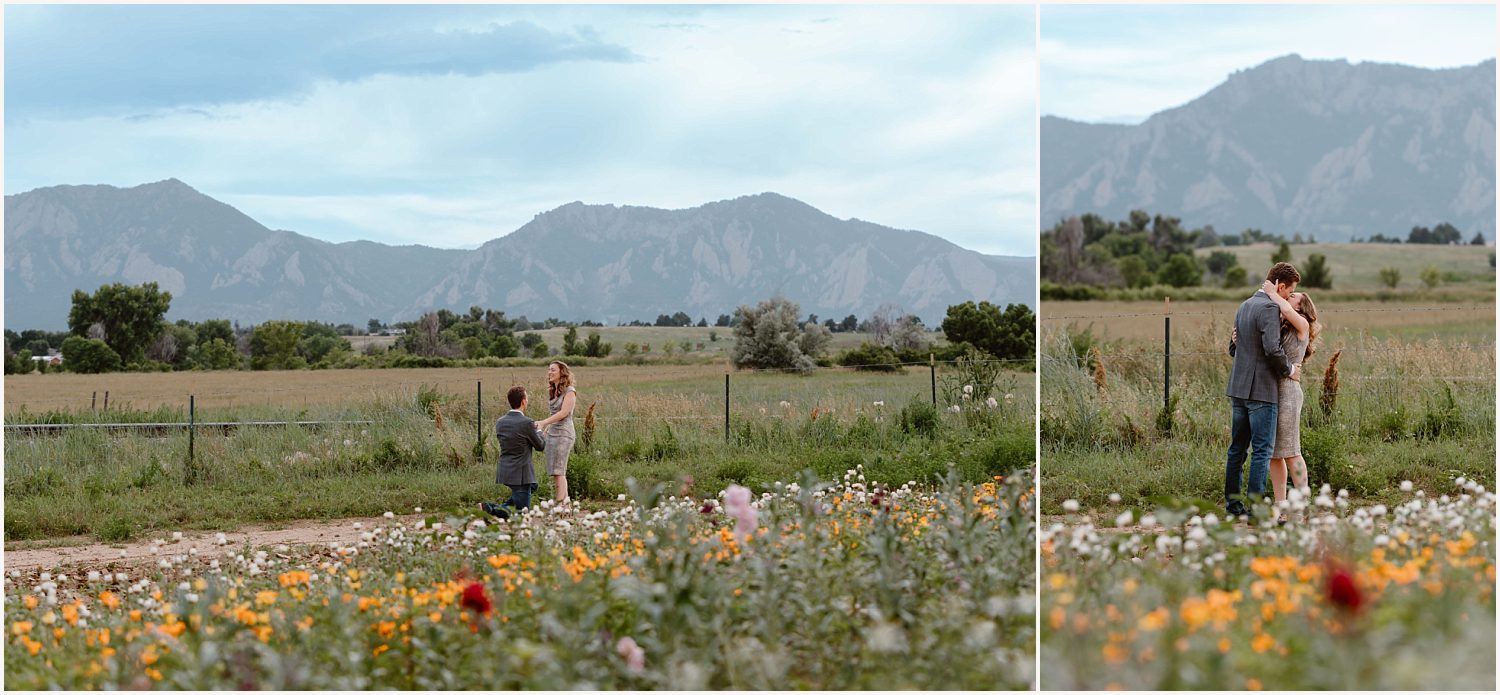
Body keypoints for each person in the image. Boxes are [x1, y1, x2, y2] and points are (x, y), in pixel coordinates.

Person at [1224, 262, 1301, 519]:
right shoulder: (1269, 307)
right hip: (1262, 392)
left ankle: (1234, 509)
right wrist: (1289, 370)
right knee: (1262, 452)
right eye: (1289, 293)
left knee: (1236, 450)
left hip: (1238, 389)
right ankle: (1257, 512)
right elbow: (1271, 349)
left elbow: (1233, 349)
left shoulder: (1244, 305)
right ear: (1280, 287)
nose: (1289, 298)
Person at [1265, 284, 1320, 522]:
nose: (1289, 296)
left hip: (1288, 391)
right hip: (1270, 390)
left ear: (1301, 306)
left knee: (1291, 451)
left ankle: (1303, 504)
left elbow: (1286, 310)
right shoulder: (1281, 323)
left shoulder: (1302, 325)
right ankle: (1281, 505)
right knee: (1274, 453)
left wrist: (1271, 292)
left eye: (1294, 295)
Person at [480, 386, 545, 520]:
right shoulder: (527, 423)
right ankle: (489, 508)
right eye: (526, 398)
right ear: (523, 402)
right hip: (521, 473)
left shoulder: (500, 422)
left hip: (506, 469)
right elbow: (540, 446)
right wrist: (539, 431)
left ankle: (490, 509)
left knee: (532, 486)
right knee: (522, 514)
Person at [534, 361, 578, 505]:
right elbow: (554, 413)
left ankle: (560, 506)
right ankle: (565, 507)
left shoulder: (570, 391)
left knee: (559, 471)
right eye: (549, 370)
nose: (549, 372)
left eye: (553, 370)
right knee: (555, 472)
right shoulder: (553, 391)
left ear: (561, 372)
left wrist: (544, 422)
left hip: (564, 433)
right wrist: (547, 428)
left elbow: (564, 413)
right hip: (553, 433)